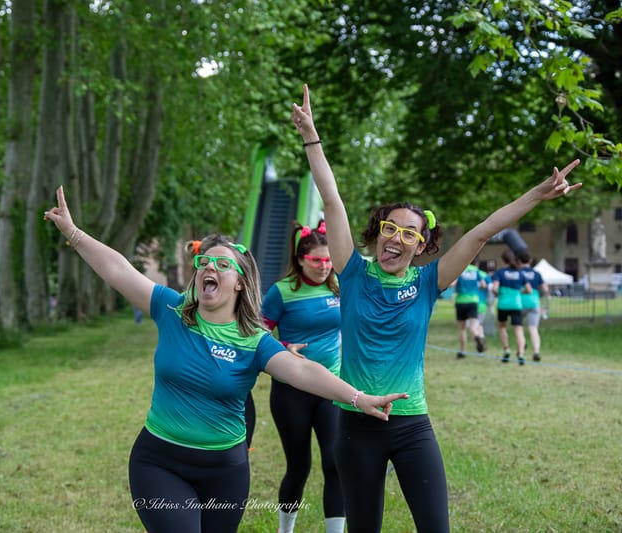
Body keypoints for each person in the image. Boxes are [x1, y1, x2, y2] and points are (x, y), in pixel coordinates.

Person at [291, 82, 581, 532]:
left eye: (411, 234)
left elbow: (483, 231)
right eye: (392, 228)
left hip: (411, 426)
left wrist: (536, 195)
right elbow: (332, 199)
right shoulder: (352, 272)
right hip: (355, 423)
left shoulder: (430, 281)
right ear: (378, 231)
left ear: (422, 245)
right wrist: (312, 136)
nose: (398, 239)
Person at [43, 187, 408, 533]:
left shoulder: (254, 341)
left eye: (222, 264)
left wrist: (358, 398)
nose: (210, 268)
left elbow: (300, 369)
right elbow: (120, 270)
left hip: (226, 471)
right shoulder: (172, 311)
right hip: (159, 462)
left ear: (239, 282)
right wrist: (73, 232)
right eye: (205, 262)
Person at [261, 221, 344, 533]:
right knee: (299, 467)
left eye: (328, 260)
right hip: (290, 392)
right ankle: (286, 529)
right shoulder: (281, 292)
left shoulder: (338, 287)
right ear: (299, 260)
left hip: (331, 389)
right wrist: (283, 346)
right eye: (316, 261)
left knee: (335, 465)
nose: (324, 267)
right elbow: (255, 334)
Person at [492, 249, 532, 365]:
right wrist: (520, 292)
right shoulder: (520, 273)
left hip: (503, 305)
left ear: (503, 260)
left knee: (502, 327)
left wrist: (497, 294)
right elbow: (529, 290)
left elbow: (494, 288)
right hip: (516, 304)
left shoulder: (499, 273)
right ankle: (520, 354)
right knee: (519, 330)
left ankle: (507, 349)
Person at [452, 258, 487, 359]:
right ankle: (477, 337)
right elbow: (484, 284)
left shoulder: (460, 269)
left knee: (462, 329)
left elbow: (452, 284)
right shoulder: (476, 270)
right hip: (473, 301)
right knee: (473, 327)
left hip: (461, 301)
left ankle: (462, 351)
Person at [517, 251, 548, 362]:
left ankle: (522, 346)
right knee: (533, 329)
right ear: (530, 261)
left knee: (519, 328)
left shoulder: (518, 273)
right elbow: (545, 289)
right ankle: (536, 351)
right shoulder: (537, 273)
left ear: (519, 261)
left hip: (520, 303)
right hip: (534, 302)